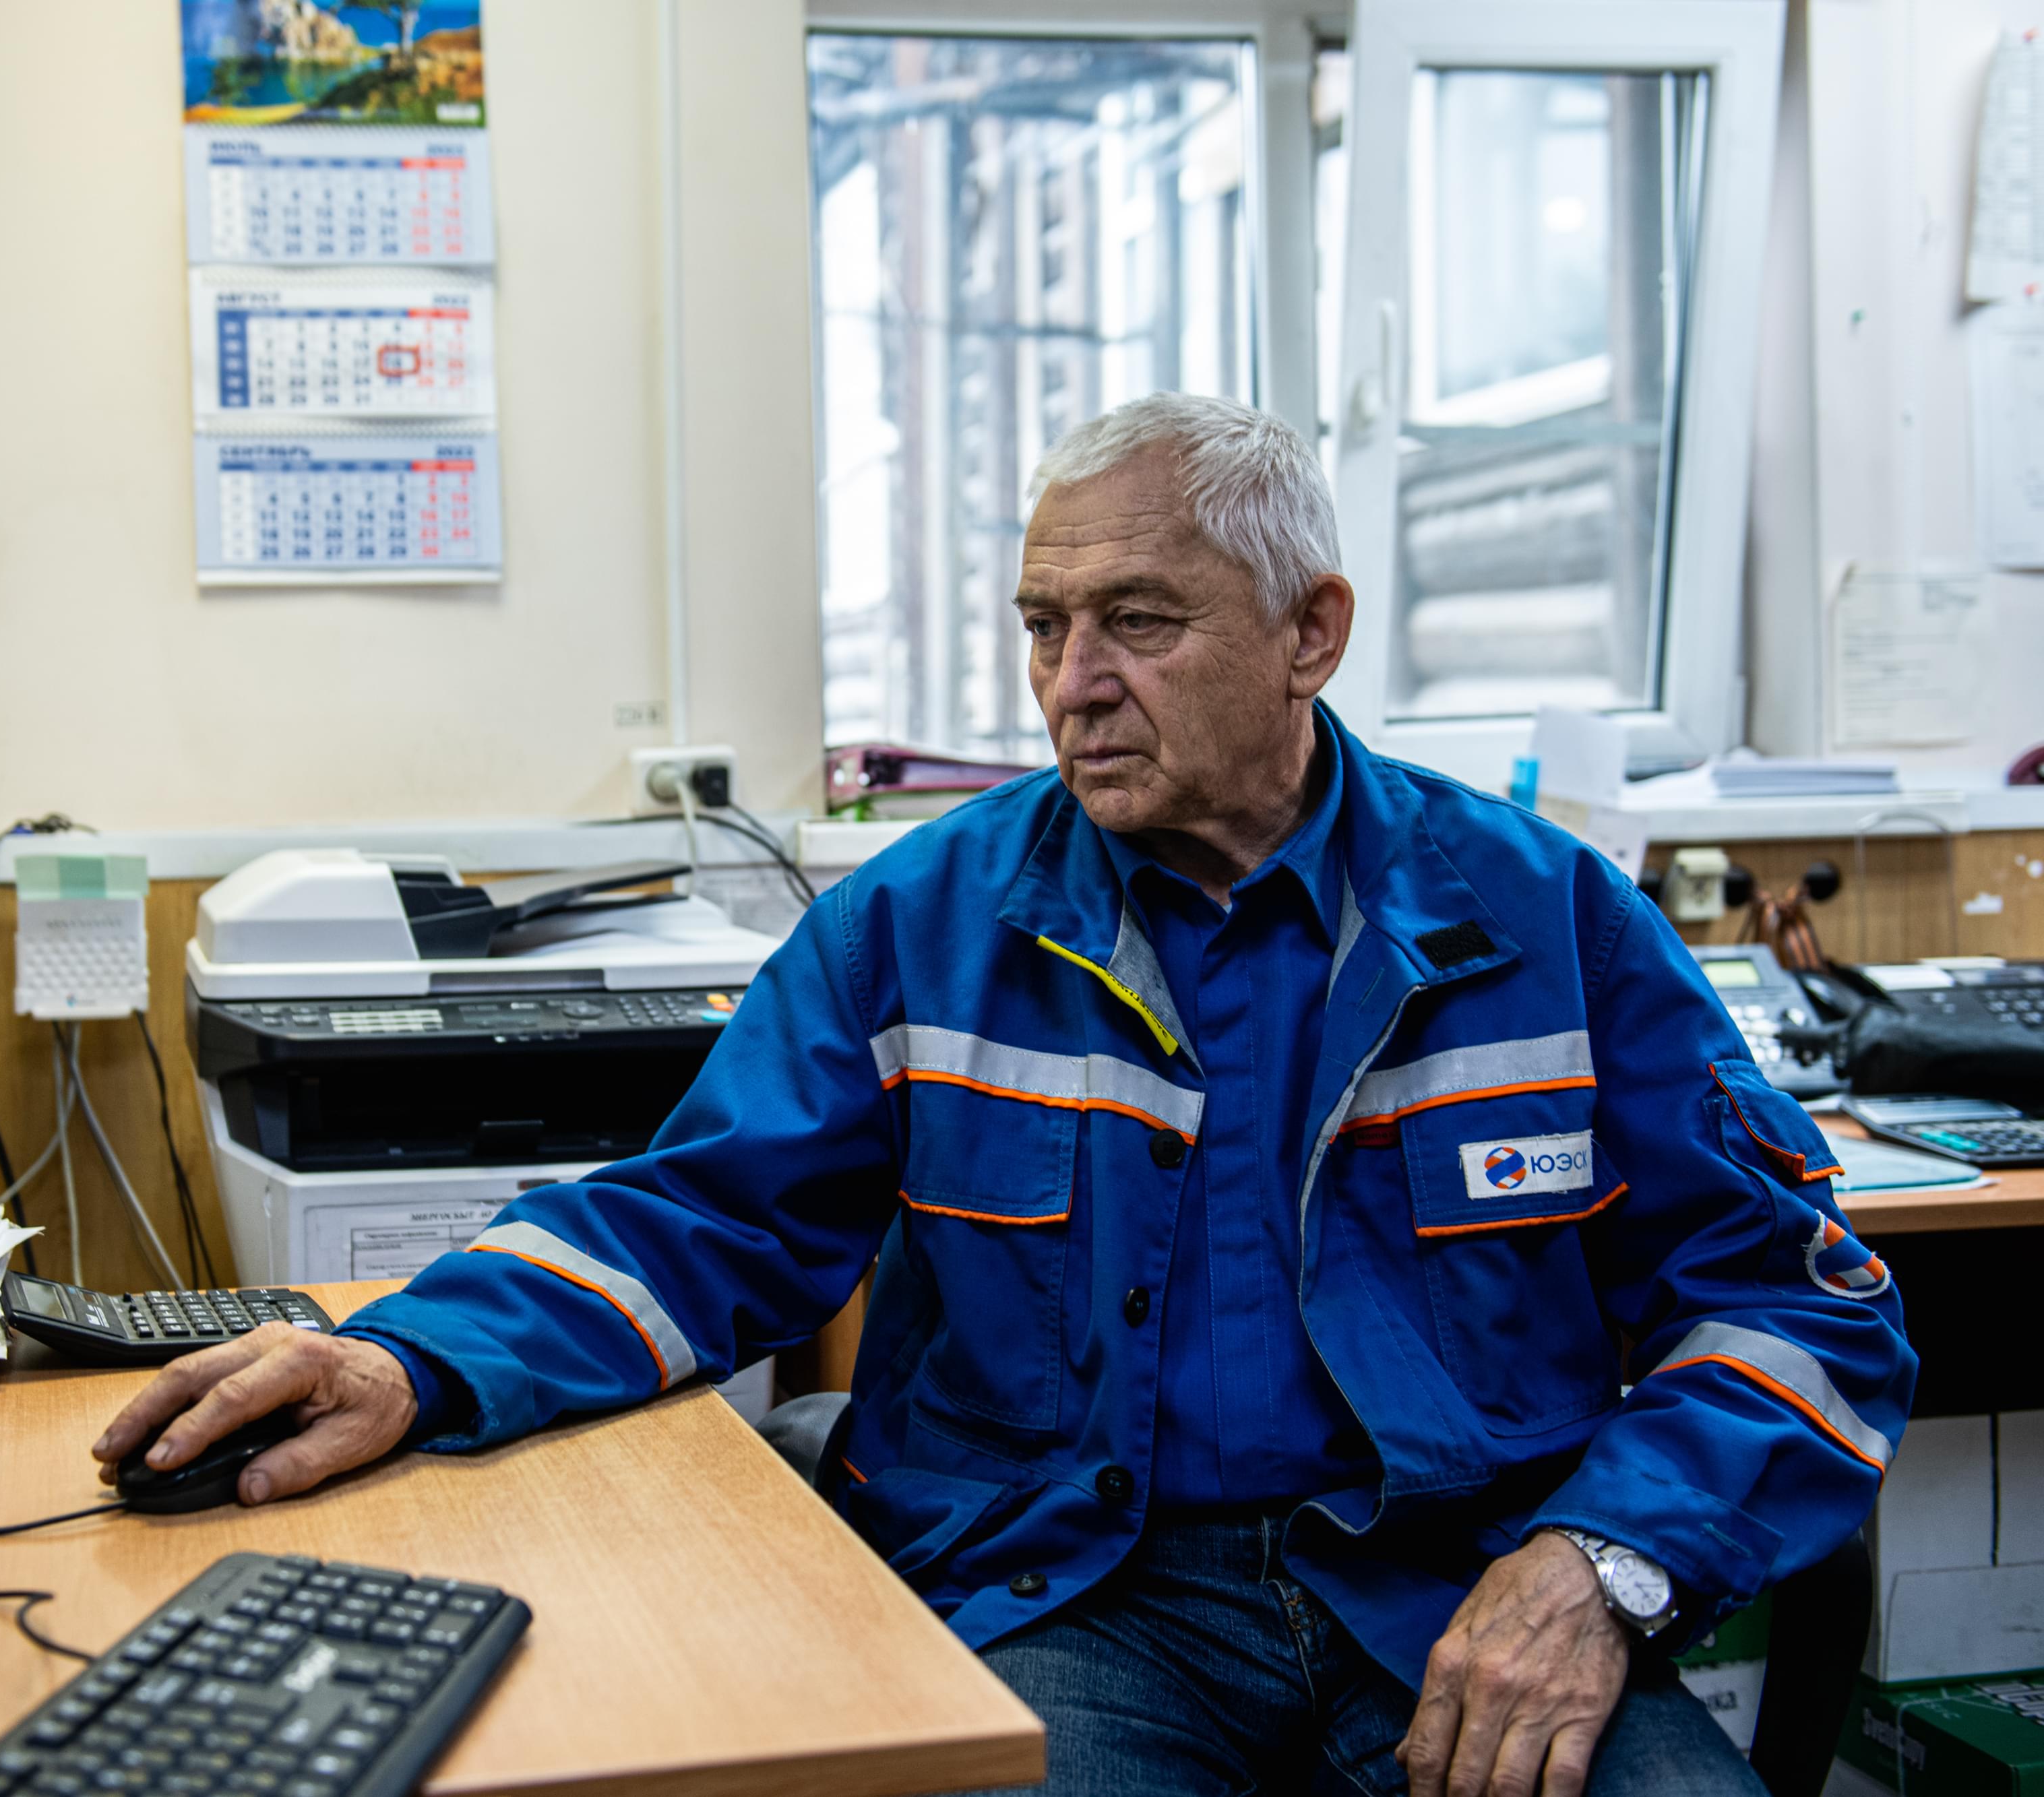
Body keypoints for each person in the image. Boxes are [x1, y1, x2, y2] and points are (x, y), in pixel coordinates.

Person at [93, 393, 1915, 1797]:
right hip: (1075, 1593)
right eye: (1044, 626)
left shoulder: (1546, 921)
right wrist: (411, 1358)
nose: (1071, 687)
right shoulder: (924, 924)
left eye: (1137, 622)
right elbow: (700, 1220)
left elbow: (1796, 1304)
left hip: (1456, 1583)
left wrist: (1601, 1566)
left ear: (1313, 631)